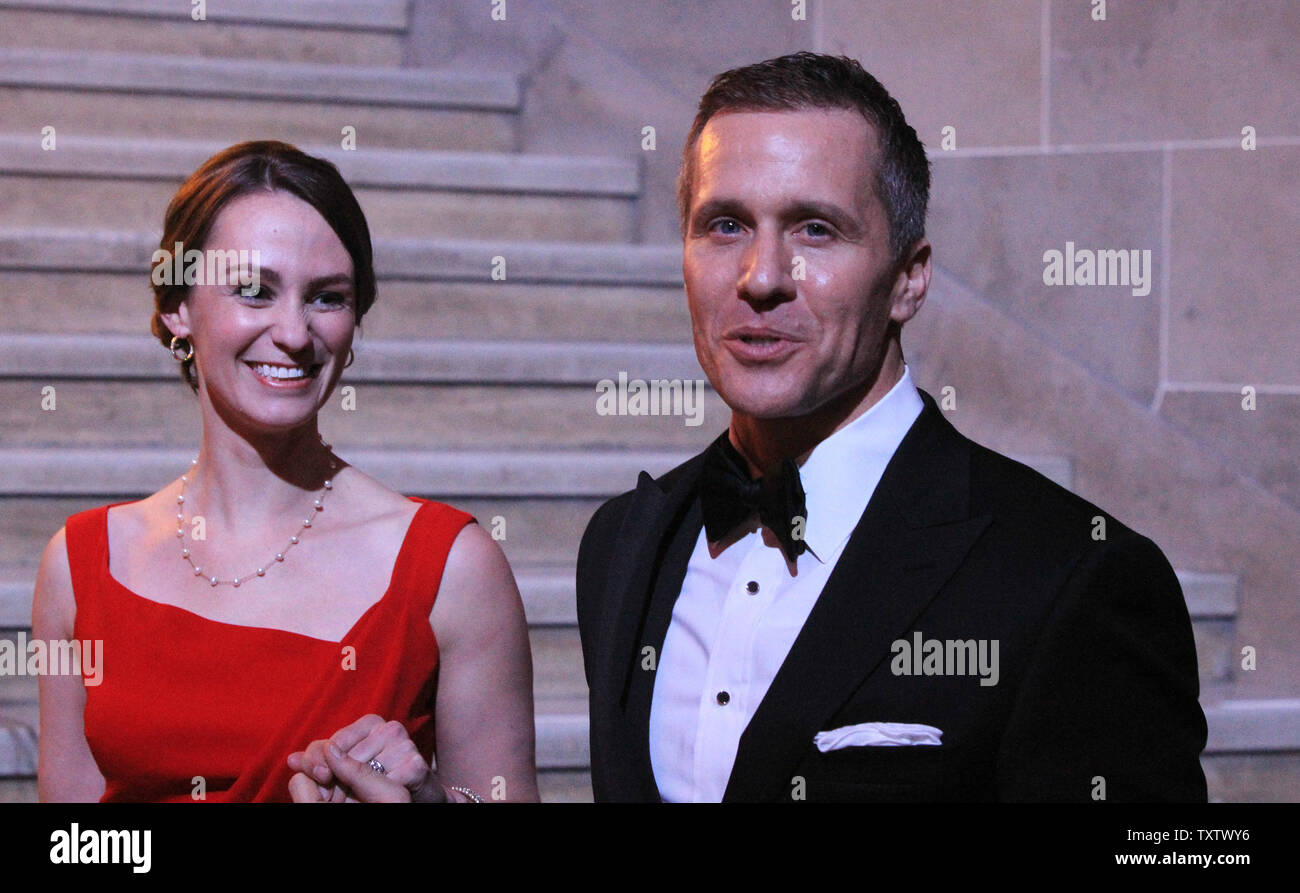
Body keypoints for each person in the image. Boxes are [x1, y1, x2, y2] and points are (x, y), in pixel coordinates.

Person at [575, 53, 1208, 802]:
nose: (762, 276)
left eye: (815, 229)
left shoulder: (1070, 576)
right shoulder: (622, 544)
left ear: (910, 278)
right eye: (724, 224)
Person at [32, 141, 538, 803]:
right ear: (177, 307)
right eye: (253, 290)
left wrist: (431, 803)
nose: (295, 333)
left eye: (326, 297)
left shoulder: (450, 567)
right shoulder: (80, 565)